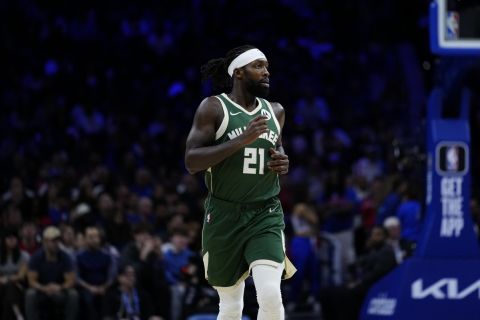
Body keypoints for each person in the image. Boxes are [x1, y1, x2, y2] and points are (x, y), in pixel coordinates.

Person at [185, 44, 296, 319]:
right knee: (231, 304)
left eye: (267, 66)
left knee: (270, 294)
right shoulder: (213, 107)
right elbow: (192, 161)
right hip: (224, 214)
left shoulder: (276, 111)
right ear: (239, 73)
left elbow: (276, 146)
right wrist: (240, 140)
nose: (266, 72)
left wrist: (282, 160)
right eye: (258, 66)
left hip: (265, 212)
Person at [25, 226, 78, 320]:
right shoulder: (36, 258)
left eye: (58, 241)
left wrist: (60, 287)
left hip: (60, 290)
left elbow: (70, 280)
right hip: (41, 290)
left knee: (73, 294)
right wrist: (44, 288)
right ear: (45, 242)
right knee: (30, 294)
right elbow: (31, 281)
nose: (56, 244)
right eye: (53, 241)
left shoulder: (65, 257)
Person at [0, 228, 29, 320]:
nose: (12, 240)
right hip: (1, 285)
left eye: (14, 238)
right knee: (7, 289)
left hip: (19, 285)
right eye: (9, 238)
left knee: (10, 287)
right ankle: (18, 315)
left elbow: (21, 275)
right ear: (4, 240)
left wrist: (7, 279)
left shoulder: (23, 255)